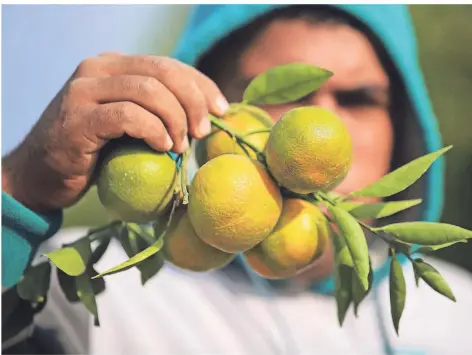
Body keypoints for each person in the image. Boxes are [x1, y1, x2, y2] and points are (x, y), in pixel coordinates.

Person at [2, 4, 472, 355]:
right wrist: (18, 191)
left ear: (402, 127)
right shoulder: (92, 290)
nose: (326, 124)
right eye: (293, 95)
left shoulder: (458, 318)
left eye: (358, 99)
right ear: (202, 110)